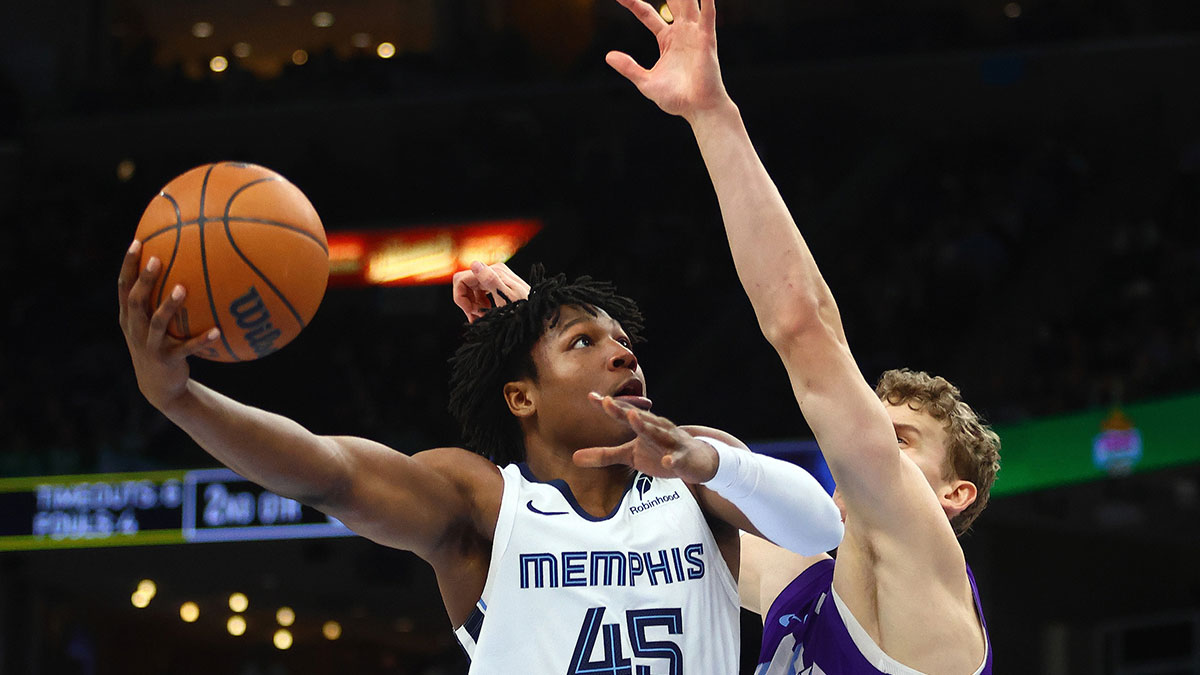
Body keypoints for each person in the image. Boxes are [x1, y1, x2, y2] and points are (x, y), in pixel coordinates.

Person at [118, 248, 843, 671]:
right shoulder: (487, 504)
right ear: (520, 398)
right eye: (586, 342)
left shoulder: (698, 472)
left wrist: (712, 462)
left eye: (624, 342)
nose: (624, 352)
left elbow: (820, 529)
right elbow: (327, 472)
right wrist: (182, 400)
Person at [589, 0, 1003, 672]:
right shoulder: (809, 585)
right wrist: (543, 324)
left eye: (899, 440)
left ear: (954, 495)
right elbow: (676, 491)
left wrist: (712, 115)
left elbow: (803, 327)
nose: (864, 445)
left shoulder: (929, 579)